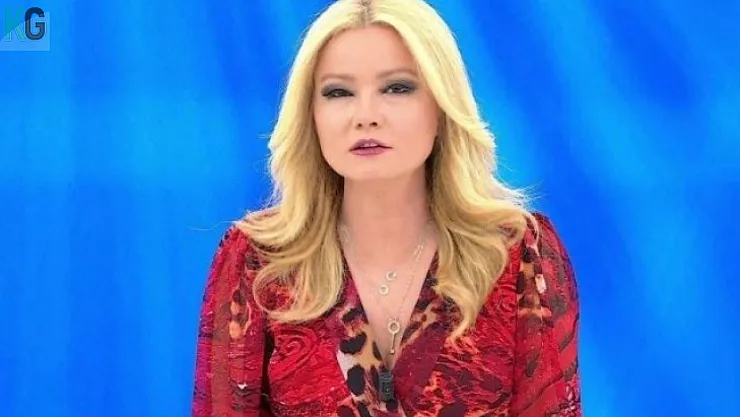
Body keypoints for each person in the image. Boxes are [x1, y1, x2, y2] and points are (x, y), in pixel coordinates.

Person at [191, 0, 582, 416]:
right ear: (311, 116)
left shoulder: (518, 255)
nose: (366, 116)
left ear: (441, 105)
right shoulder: (259, 262)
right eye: (338, 92)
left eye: (397, 88)